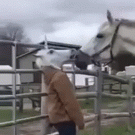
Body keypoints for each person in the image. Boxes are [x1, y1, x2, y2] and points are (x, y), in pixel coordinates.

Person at [43, 66, 84, 135]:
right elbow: (69, 101)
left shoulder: (49, 76)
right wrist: (80, 121)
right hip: (65, 119)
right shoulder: (60, 77)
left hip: (56, 118)